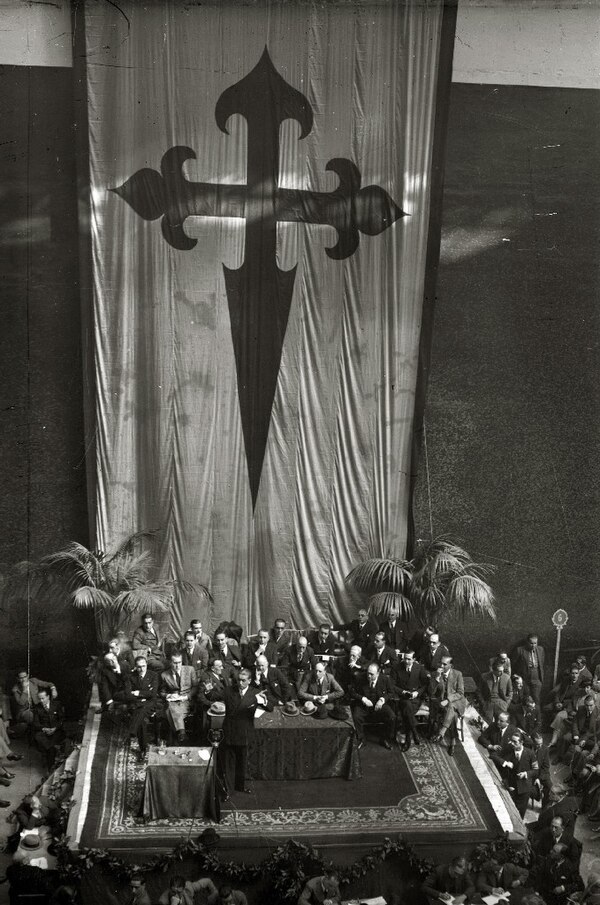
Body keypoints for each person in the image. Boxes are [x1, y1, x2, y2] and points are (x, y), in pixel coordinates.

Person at [219, 669, 272, 794]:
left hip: (245, 732)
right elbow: (213, 696)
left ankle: (240, 786)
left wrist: (262, 701)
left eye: (243, 680)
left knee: (242, 762)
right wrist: (208, 689)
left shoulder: (256, 693)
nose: (240, 683)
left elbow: (270, 707)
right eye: (238, 680)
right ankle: (227, 788)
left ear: (249, 681)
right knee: (228, 763)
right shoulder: (228, 690)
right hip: (230, 730)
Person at [351, 662, 396, 750]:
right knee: (356, 716)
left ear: (378, 673)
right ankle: (361, 739)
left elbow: (391, 692)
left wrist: (382, 700)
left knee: (392, 717)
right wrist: (363, 699)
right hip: (363, 705)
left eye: (372, 674)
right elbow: (352, 692)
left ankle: (385, 739)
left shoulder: (385, 679)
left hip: (379, 705)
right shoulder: (360, 678)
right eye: (368, 673)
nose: (368, 676)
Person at [430, 656, 466, 755]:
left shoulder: (458, 674)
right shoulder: (435, 674)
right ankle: (452, 742)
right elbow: (432, 692)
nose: (441, 666)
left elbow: (460, 693)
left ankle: (442, 733)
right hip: (441, 703)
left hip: (457, 702)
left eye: (444, 664)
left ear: (451, 665)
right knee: (452, 714)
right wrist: (436, 679)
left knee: (451, 708)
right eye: (440, 663)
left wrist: (448, 700)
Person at [393, 649, 428, 750]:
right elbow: (392, 684)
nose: (406, 661)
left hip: (415, 699)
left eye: (409, 659)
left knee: (407, 711)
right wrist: (403, 692)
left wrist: (417, 692)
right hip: (401, 698)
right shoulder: (397, 667)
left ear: (414, 659)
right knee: (407, 706)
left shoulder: (419, 668)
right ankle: (413, 733)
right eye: (404, 659)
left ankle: (410, 736)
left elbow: (425, 684)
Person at [159, 652, 197, 742]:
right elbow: (161, 692)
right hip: (173, 699)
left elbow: (195, 687)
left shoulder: (190, 670)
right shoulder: (164, 675)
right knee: (170, 705)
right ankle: (182, 734)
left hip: (187, 700)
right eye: (175, 663)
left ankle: (178, 734)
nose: (177, 665)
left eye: (179, 662)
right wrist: (169, 695)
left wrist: (187, 696)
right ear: (170, 663)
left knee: (169, 709)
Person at [499, 729, 537, 817]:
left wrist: (526, 774)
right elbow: (500, 763)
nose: (512, 743)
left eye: (515, 742)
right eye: (511, 741)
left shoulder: (530, 753)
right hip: (511, 786)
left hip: (524, 789)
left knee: (520, 814)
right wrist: (507, 784)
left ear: (521, 742)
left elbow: (536, 770)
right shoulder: (508, 751)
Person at [129, 655, 160, 756]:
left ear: (146, 664)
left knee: (141, 711)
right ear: (135, 667)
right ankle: (143, 750)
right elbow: (128, 693)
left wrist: (138, 693)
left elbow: (153, 694)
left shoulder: (154, 675)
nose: (141, 669)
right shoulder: (131, 676)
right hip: (137, 704)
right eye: (139, 667)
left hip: (151, 704)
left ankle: (132, 730)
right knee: (141, 719)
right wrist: (145, 693)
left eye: (143, 666)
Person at [32, 687, 66, 771]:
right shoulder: (37, 708)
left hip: (56, 731)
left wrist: (55, 728)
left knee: (50, 745)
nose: (41, 701)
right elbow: (36, 723)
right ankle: (51, 766)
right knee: (43, 741)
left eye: (43, 698)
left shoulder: (56, 705)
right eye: (39, 699)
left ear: (48, 697)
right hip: (43, 732)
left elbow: (62, 719)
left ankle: (50, 767)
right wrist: (44, 729)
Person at [512, 634, 545, 706]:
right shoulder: (520, 650)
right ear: (527, 642)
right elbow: (514, 664)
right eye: (531, 643)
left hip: (536, 678)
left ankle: (536, 715)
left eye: (535, 643)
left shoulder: (540, 649)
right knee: (524, 698)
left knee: (536, 698)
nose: (533, 645)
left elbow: (542, 663)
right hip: (524, 678)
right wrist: (516, 676)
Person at [479, 658, 513, 722]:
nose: (502, 673)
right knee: (487, 722)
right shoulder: (484, 676)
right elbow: (479, 691)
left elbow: (510, 692)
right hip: (488, 703)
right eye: (499, 671)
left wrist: (507, 703)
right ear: (493, 670)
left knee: (501, 722)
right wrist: (483, 703)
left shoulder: (507, 678)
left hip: (502, 703)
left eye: (502, 670)